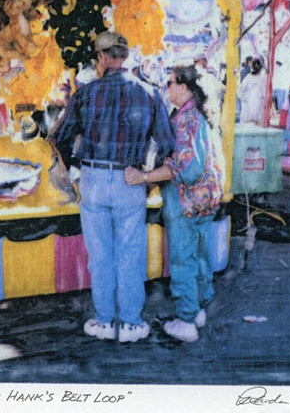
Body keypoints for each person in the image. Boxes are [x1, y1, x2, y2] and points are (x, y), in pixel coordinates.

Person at [51, 31, 174, 343]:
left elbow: (60, 139)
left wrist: (78, 170)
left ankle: (104, 320)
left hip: (92, 181)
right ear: (125, 56)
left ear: (103, 58)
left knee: (100, 255)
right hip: (129, 179)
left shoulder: (84, 93)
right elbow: (167, 144)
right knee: (130, 254)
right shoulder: (149, 93)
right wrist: (145, 178)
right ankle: (131, 324)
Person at [125, 65, 225, 342]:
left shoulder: (186, 120)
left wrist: (143, 177)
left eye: (169, 83)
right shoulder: (199, 115)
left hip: (186, 201)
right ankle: (198, 311)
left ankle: (186, 321)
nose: (166, 88)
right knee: (200, 258)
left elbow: (186, 167)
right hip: (207, 200)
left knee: (183, 261)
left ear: (183, 87)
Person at [238, 57, 267, 126]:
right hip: (258, 110)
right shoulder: (262, 79)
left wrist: (244, 99)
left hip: (248, 110)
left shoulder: (248, 77)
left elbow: (240, 91)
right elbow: (264, 93)